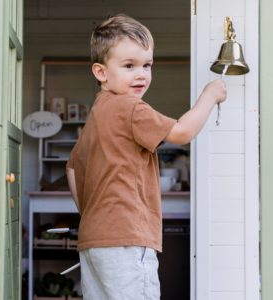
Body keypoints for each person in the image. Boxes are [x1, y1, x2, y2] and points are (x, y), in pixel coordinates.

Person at [66, 14, 226, 300]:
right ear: (101, 72)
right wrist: (209, 95)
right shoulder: (129, 108)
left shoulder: (96, 115)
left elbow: (72, 170)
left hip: (94, 239)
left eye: (147, 65)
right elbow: (183, 132)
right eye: (129, 66)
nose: (141, 74)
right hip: (127, 238)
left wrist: (93, 214)